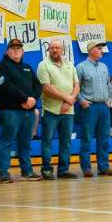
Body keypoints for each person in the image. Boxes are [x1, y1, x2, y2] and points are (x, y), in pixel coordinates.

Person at [0, 39, 42, 183]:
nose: (16, 51)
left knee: (25, 142)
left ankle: (27, 171)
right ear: (7, 51)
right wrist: (25, 99)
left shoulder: (27, 67)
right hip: (10, 111)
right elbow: (5, 87)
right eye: (13, 48)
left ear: (23, 52)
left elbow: (38, 86)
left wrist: (33, 99)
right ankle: (3, 172)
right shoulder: (1, 67)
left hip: (29, 111)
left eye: (19, 49)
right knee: (6, 141)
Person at [37, 39, 80, 180]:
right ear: (48, 50)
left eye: (58, 48)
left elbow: (76, 86)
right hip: (51, 110)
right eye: (52, 48)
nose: (55, 50)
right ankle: (47, 169)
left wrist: (71, 100)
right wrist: (66, 98)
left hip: (69, 110)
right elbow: (46, 88)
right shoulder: (43, 65)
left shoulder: (70, 65)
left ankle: (63, 170)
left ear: (63, 50)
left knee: (66, 141)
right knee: (47, 141)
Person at [76, 41, 112, 177]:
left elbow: (108, 85)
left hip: (104, 107)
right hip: (90, 106)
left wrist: (110, 100)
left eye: (101, 49)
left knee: (104, 137)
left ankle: (103, 167)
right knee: (87, 137)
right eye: (99, 49)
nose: (101, 51)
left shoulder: (104, 67)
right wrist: (82, 101)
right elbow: (75, 87)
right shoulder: (81, 67)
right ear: (91, 50)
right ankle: (86, 168)